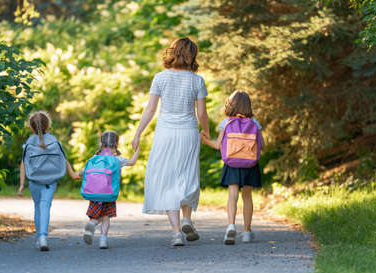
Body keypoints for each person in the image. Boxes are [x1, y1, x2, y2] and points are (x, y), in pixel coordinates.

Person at [132, 37, 210, 246]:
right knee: (187, 175)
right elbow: (201, 113)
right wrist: (207, 132)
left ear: (172, 52)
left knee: (168, 179)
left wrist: (138, 133)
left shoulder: (160, 78)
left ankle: (176, 233)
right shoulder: (197, 81)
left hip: (165, 133)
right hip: (188, 132)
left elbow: (150, 109)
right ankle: (186, 219)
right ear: (192, 55)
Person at [200, 91, 263, 245]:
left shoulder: (227, 123)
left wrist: (205, 140)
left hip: (232, 163)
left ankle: (230, 226)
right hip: (250, 164)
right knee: (247, 196)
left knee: (232, 195)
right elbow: (262, 145)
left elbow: (218, 145)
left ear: (231, 105)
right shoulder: (254, 123)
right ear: (248, 105)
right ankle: (247, 232)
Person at [18, 111, 79, 251]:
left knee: (38, 207)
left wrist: (22, 184)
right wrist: (73, 175)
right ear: (48, 125)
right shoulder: (55, 141)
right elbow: (64, 160)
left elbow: (23, 165)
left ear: (31, 127)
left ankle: (40, 237)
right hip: (50, 181)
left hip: (34, 181)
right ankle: (44, 237)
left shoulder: (28, 143)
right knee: (45, 206)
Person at [82, 131, 139, 249]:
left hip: (94, 193)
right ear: (116, 143)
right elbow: (132, 162)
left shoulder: (95, 158)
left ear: (101, 143)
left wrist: (77, 174)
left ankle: (92, 223)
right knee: (107, 216)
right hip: (109, 193)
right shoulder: (117, 159)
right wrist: (137, 150)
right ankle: (103, 240)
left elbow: (84, 170)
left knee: (96, 214)